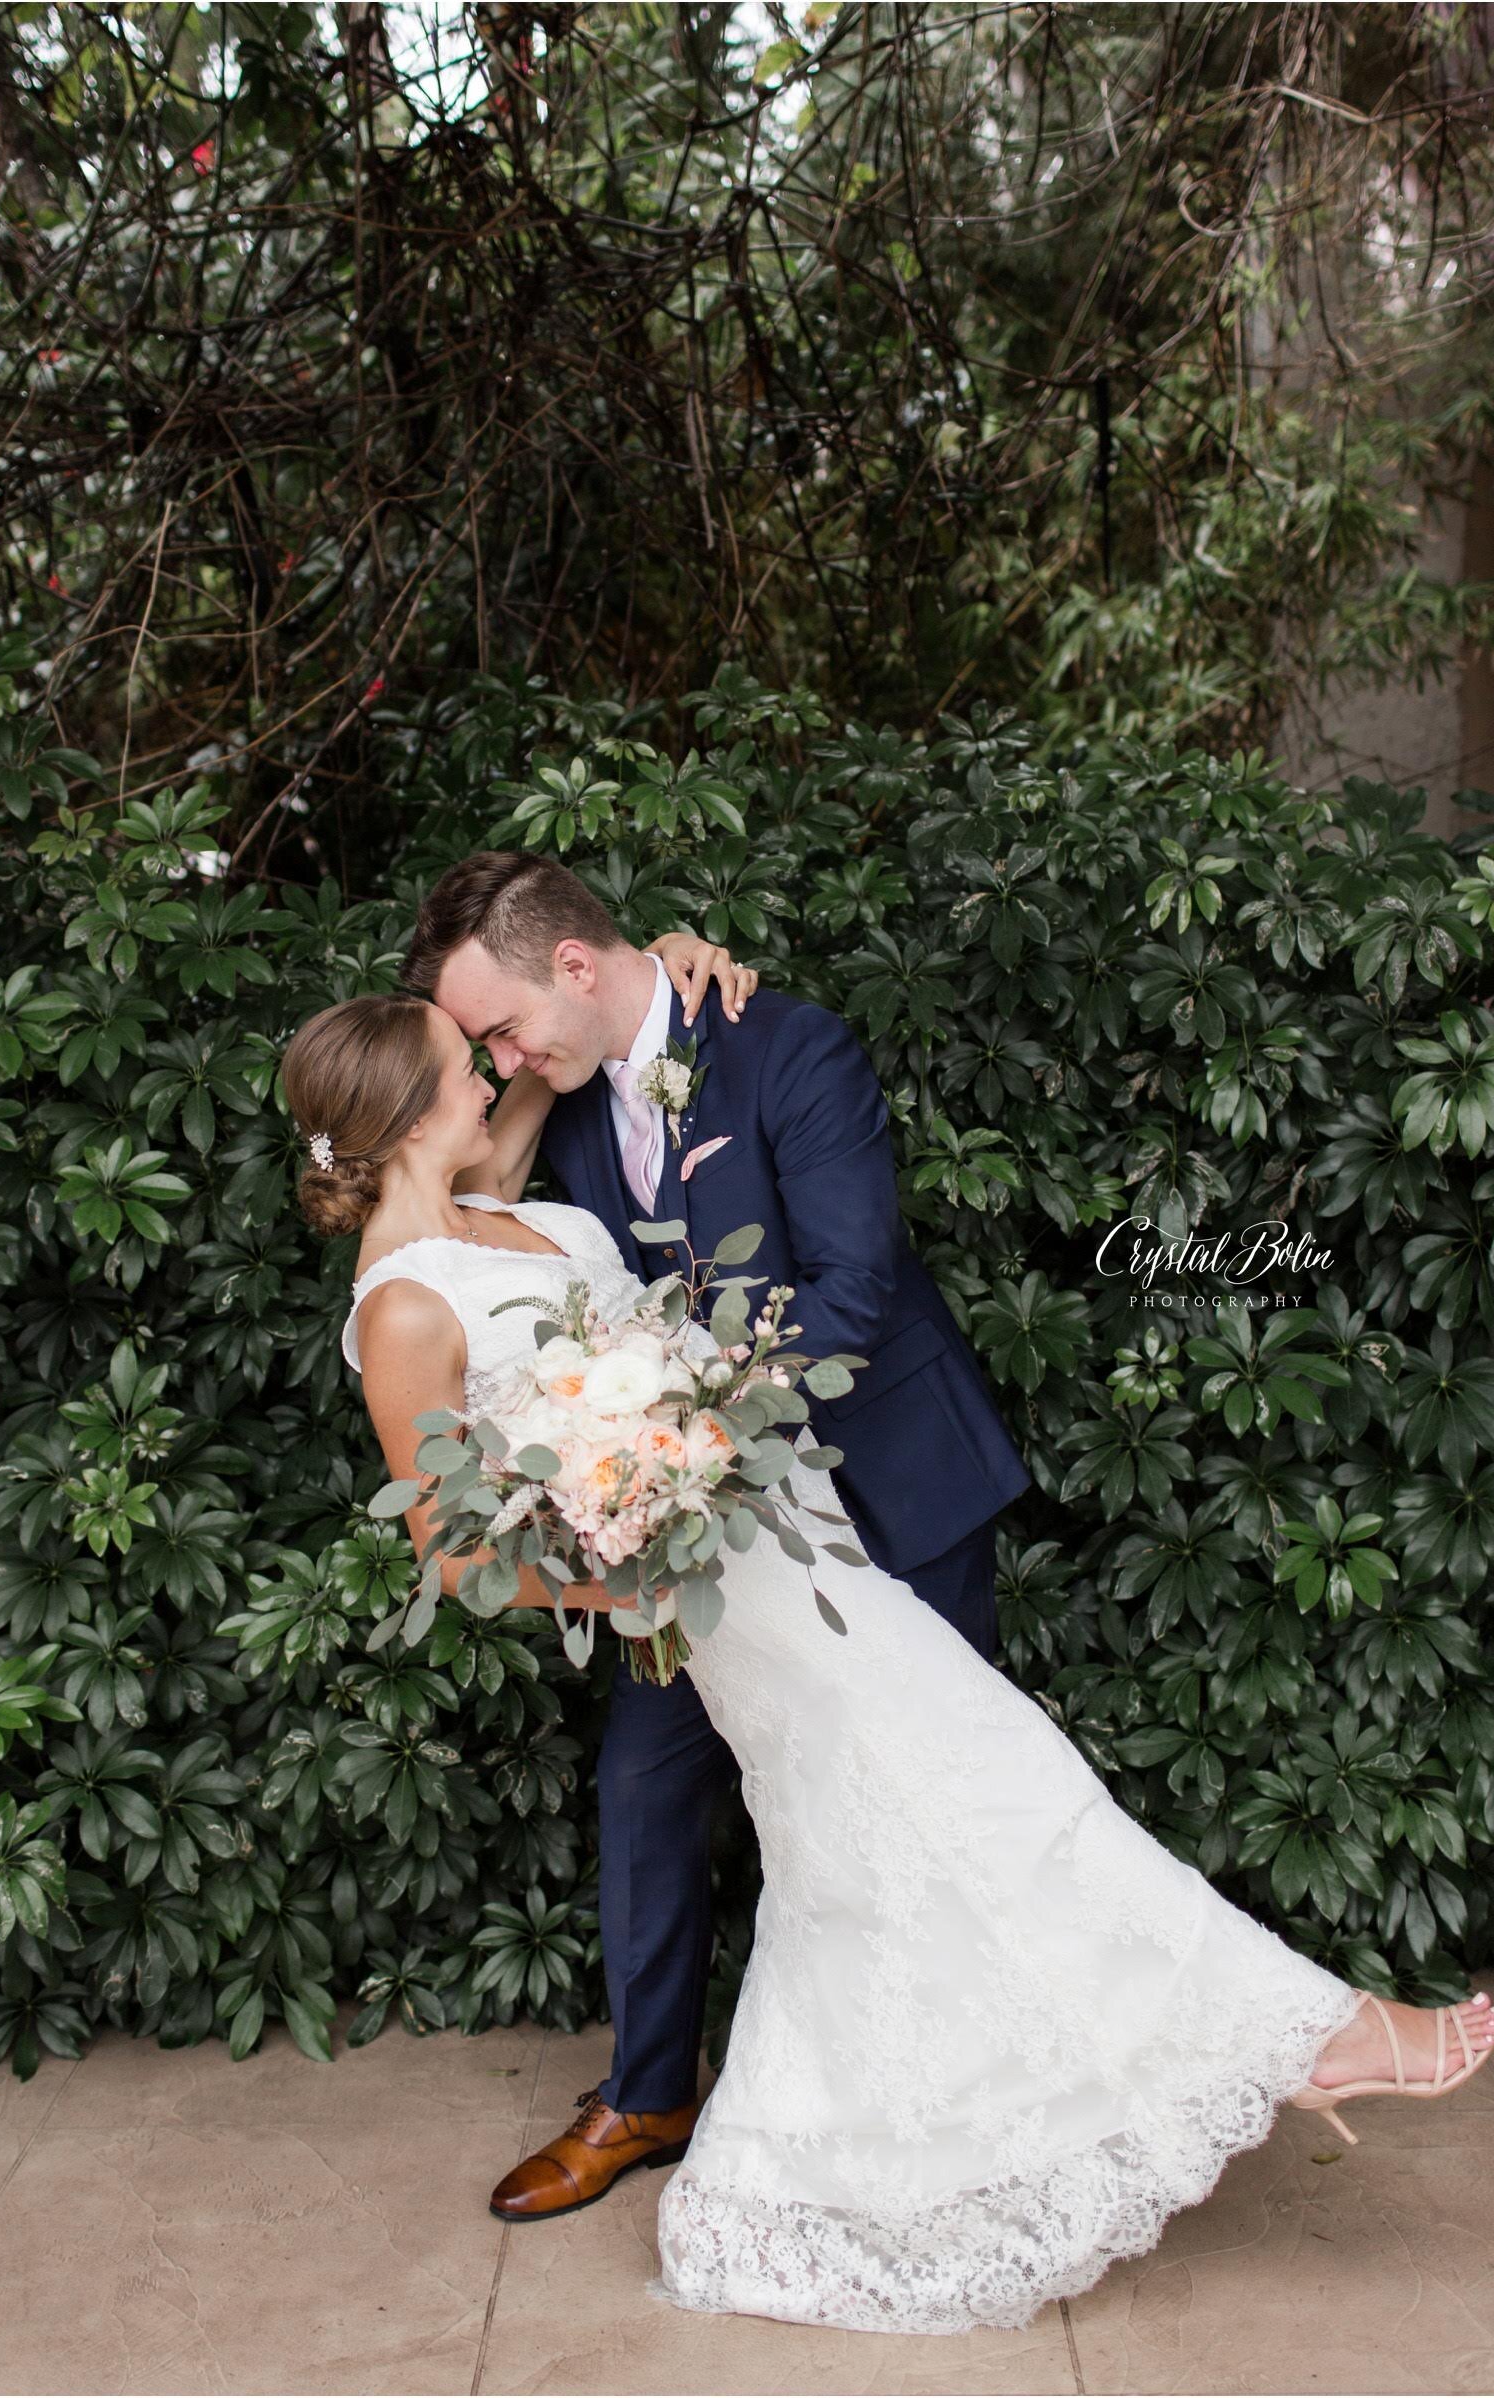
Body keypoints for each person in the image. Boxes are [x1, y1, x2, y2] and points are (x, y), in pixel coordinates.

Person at [282, 998, 1494, 2337]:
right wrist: (622, 1556)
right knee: (989, 1768)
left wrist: (678, 960)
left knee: (859, 1844)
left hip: (794, 1525)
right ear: (407, 1117)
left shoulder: (517, 1209)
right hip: (717, 1584)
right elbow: (457, 1557)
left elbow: (572, 1049)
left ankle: (844, 2150)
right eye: (471, 1066)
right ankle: (1304, 2034)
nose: (498, 1071)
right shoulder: (401, 1306)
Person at [396, 852, 1034, 2221]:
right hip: (699, 1538)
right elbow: (435, 1227)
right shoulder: (554, 1105)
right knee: (645, 1784)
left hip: (890, 1487)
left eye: (502, 1027)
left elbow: (851, 1291)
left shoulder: (784, 1044)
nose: (498, 1061)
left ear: (573, 965)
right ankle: (646, 2088)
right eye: (482, 1048)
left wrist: (688, 1440)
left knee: (939, 1794)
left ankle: (961, 2095)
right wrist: (645, 1478)